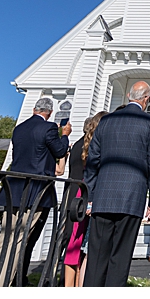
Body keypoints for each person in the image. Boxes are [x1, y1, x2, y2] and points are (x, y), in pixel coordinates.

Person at [0, 97, 70, 287]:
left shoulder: (19, 129)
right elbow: (60, 151)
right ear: (49, 112)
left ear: (35, 109)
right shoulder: (48, 128)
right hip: (34, 190)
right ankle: (2, 283)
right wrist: (65, 134)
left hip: (14, 189)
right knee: (19, 240)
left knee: (4, 238)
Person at [82, 82, 150, 287]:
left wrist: (90, 197)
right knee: (121, 256)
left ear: (129, 95)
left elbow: (93, 162)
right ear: (146, 99)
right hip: (131, 198)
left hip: (103, 197)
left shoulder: (106, 121)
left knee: (97, 256)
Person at [61, 113, 103, 286]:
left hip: (73, 194)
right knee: (77, 242)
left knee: (74, 241)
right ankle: (72, 285)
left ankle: (72, 283)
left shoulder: (79, 143)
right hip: (83, 195)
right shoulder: (92, 145)